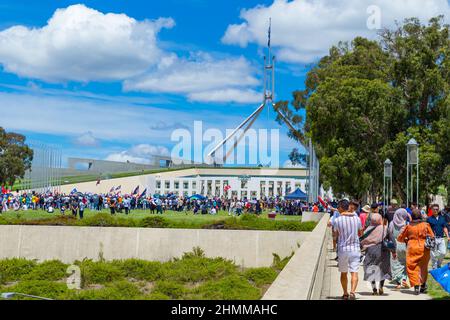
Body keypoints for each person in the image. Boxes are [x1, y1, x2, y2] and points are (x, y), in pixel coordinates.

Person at [397, 209, 434, 295]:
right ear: (420, 216)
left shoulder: (408, 226)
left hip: (412, 248)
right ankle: (423, 285)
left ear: (412, 216)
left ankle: (416, 286)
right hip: (424, 248)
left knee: (412, 267)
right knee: (424, 267)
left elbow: (400, 238)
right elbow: (432, 235)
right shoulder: (426, 225)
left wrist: (407, 240)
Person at [333, 199, 363, 300]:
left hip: (342, 249)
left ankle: (345, 293)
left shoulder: (337, 220)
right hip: (355, 249)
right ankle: (352, 292)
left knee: (343, 273)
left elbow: (335, 235)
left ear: (341, 208)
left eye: (338, 207)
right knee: (354, 272)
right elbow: (360, 233)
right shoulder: (357, 219)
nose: (337, 209)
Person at [360, 213, 393, 295]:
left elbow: (363, 240)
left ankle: (374, 289)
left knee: (371, 268)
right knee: (383, 268)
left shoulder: (368, 229)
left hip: (371, 251)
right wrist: (393, 251)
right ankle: (381, 286)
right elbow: (391, 240)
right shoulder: (385, 228)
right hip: (383, 251)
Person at [388, 208, 410, 289]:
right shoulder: (406, 224)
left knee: (395, 264)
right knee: (404, 263)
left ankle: (398, 281)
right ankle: (403, 279)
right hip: (404, 245)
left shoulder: (391, 223)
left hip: (395, 246)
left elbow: (390, 233)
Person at [427, 204, 449, 269]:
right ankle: (434, 266)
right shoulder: (429, 219)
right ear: (432, 210)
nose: (435, 210)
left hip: (441, 238)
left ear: (438, 210)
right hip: (433, 239)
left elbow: (445, 227)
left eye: (437, 209)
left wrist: (448, 236)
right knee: (433, 254)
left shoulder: (442, 218)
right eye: (434, 209)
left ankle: (439, 264)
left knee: (443, 252)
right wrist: (429, 235)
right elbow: (427, 229)